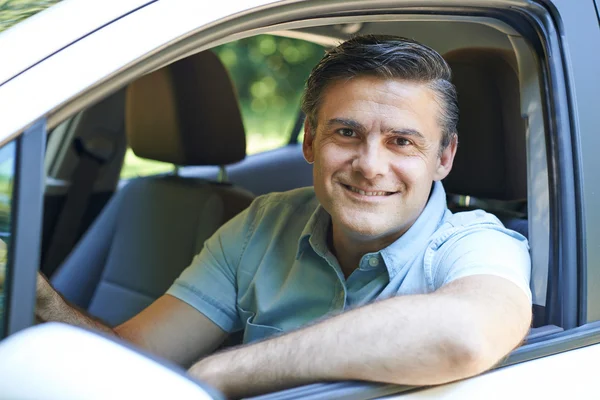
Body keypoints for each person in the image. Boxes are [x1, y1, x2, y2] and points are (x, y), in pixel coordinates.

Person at [36, 35, 532, 398]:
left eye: (402, 141)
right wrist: (38, 301)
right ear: (310, 141)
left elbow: (465, 335)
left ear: (443, 159)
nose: (370, 165)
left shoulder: (479, 244)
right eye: (347, 133)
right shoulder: (262, 224)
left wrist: (221, 374)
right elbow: (133, 363)